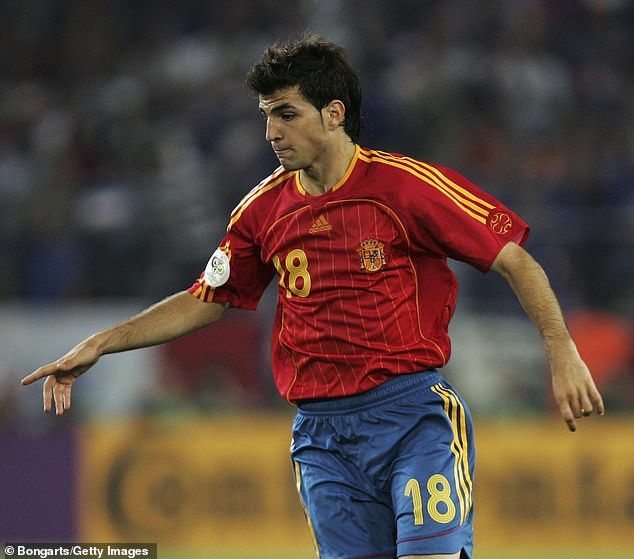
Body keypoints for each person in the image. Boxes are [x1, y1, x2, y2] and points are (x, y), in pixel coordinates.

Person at [21, 36, 604, 559]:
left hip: (414, 419)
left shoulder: (406, 187)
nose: (271, 132)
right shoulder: (261, 210)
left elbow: (515, 260)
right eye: (266, 116)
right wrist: (102, 343)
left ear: (333, 113)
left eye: (285, 114)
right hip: (323, 438)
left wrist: (563, 351)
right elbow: (206, 298)